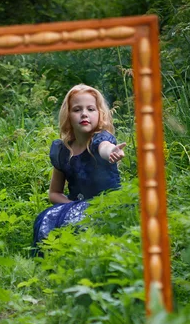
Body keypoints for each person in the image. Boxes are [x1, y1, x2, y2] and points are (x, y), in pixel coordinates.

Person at [33, 84, 126, 249]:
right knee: (47, 218)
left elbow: (104, 148)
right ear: (68, 115)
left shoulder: (100, 140)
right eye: (77, 110)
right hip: (76, 206)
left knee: (83, 223)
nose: (84, 114)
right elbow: (54, 193)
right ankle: (51, 263)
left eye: (91, 109)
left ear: (100, 114)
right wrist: (72, 206)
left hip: (107, 206)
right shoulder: (63, 151)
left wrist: (112, 151)